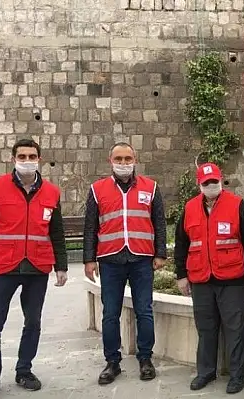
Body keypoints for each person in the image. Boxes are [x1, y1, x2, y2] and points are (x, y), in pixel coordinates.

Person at [0, 139, 68, 399]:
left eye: (32, 155)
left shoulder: (51, 192)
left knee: (33, 322)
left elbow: (57, 232)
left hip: (37, 267)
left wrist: (61, 265)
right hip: (3, 266)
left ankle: (24, 370)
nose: (27, 160)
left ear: (39, 159)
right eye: (22, 155)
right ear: (13, 158)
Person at [83, 142, 168, 385]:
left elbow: (159, 222)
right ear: (110, 161)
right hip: (110, 260)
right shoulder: (97, 189)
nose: (123, 163)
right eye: (118, 159)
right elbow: (90, 226)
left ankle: (145, 359)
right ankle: (112, 362)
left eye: (127, 158)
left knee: (144, 311)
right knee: (110, 314)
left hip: (141, 259)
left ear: (135, 159)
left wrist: (160, 253)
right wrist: (89, 259)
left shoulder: (150, 188)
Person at [174, 162, 244, 394]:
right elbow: (181, 243)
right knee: (206, 329)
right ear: (199, 184)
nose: (210, 186)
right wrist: (181, 275)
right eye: (206, 183)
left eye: (214, 181)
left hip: (231, 278)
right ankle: (206, 372)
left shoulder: (237, 205)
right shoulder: (189, 208)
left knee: (236, 329)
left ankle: (237, 374)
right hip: (200, 279)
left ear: (221, 181)